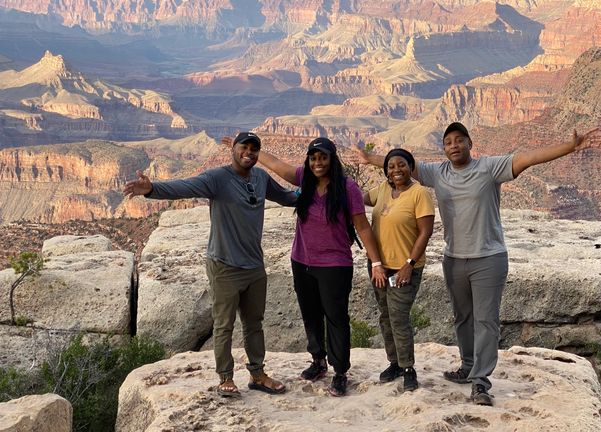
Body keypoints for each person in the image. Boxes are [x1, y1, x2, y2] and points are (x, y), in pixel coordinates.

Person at [354, 122, 599, 406]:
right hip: (454, 258)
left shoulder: (489, 168)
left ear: (470, 143)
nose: (454, 146)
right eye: (448, 142)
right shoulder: (438, 172)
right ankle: (468, 366)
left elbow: (527, 158)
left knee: (486, 320)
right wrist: (368, 159)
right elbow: (401, 166)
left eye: (459, 140)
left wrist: (569, 147)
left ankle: (481, 382)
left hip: (488, 257)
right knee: (463, 317)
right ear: (443, 149)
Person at [123, 131, 296, 398]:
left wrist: (318, 190)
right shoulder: (217, 178)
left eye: (254, 149)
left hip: (254, 266)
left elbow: (286, 197)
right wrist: (152, 189)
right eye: (243, 147)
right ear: (233, 149)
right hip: (224, 265)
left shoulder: (261, 178)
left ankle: (258, 374)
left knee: (254, 323)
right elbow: (185, 186)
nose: (248, 152)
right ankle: (225, 377)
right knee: (224, 324)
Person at [223, 135, 387, 397]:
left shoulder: (348, 188)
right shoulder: (305, 179)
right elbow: (277, 165)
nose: (318, 162)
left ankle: (340, 371)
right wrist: (248, 150)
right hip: (301, 261)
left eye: (323, 157)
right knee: (310, 315)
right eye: (313, 158)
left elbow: (362, 226)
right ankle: (318, 361)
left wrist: (376, 262)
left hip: (335, 264)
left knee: (336, 318)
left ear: (332, 160)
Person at [363, 148, 434, 392]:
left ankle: (408, 368)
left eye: (401, 165)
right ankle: (394, 362)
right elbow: (360, 199)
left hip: (404, 269)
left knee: (399, 317)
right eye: (391, 166)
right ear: (386, 171)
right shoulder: (382, 190)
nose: (396, 170)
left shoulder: (419, 194)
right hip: (379, 267)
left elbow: (425, 231)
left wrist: (409, 264)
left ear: (410, 166)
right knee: (385, 315)